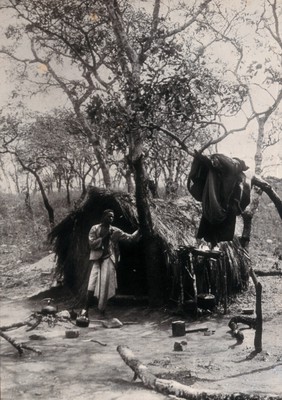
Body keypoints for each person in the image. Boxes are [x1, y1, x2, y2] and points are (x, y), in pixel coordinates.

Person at [80, 209, 140, 317]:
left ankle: (101, 311)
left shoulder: (115, 231)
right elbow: (92, 244)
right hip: (97, 260)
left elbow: (130, 238)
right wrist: (105, 237)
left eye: (113, 217)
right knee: (91, 284)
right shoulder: (95, 228)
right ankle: (85, 309)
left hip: (108, 259)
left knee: (104, 287)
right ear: (104, 217)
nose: (111, 218)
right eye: (109, 216)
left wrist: (140, 230)